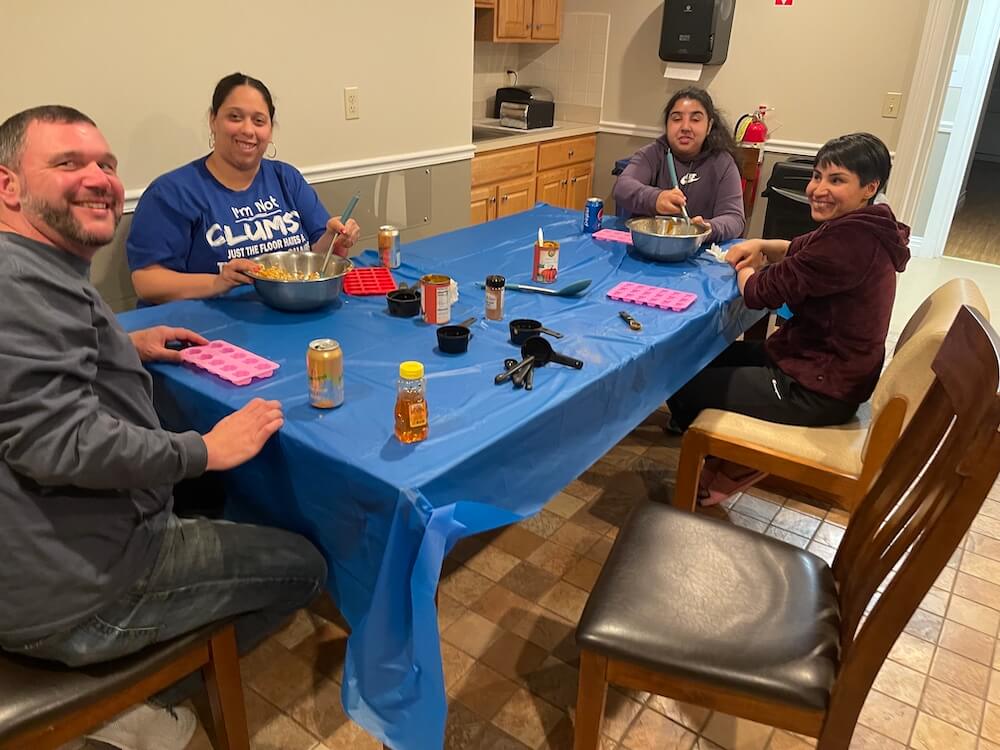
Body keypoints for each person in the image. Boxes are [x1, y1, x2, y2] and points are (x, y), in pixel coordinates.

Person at [0, 105, 328, 750]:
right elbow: (58, 443)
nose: (97, 177)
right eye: (67, 163)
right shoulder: (19, 286)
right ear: (8, 186)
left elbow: (39, 376)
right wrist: (202, 449)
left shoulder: (36, 266)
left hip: (38, 551)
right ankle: (131, 709)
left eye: (106, 164)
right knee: (307, 567)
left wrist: (124, 342)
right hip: (78, 595)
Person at [666, 132, 910, 503]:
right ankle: (726, 448)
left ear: (869, 187)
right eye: (817, 176)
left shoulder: (846, 244)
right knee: (694, 359)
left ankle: (733, 464)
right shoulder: (866, 225)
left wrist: (744, 267)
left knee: (681, 385)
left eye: (837, 180)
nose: (819, 188)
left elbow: (758, 293)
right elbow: (797, 249)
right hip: (818, 363)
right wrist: (762, 246)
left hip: (817, 386)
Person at [127, 72, 361, 305]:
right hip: (212, 328)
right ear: (213, 120)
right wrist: (217, 283)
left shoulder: (286, 178)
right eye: (235, 117)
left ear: (270, 130)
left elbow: (315, 261)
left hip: (294, 312)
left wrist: (333, 240)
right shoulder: (172, 192)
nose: (248, 130)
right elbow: (147, 282)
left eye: (259, 121)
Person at [613, 86, 746, 243]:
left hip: (700, 254)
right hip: (650, 247)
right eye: (676, 119)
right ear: (667, 124)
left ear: (709, 126)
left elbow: (735, 218)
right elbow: (622, 187)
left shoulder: (723, 162)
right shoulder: (653, 153)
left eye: (695, 120)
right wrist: (655, 198)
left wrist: (708, 228)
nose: (685, 127)